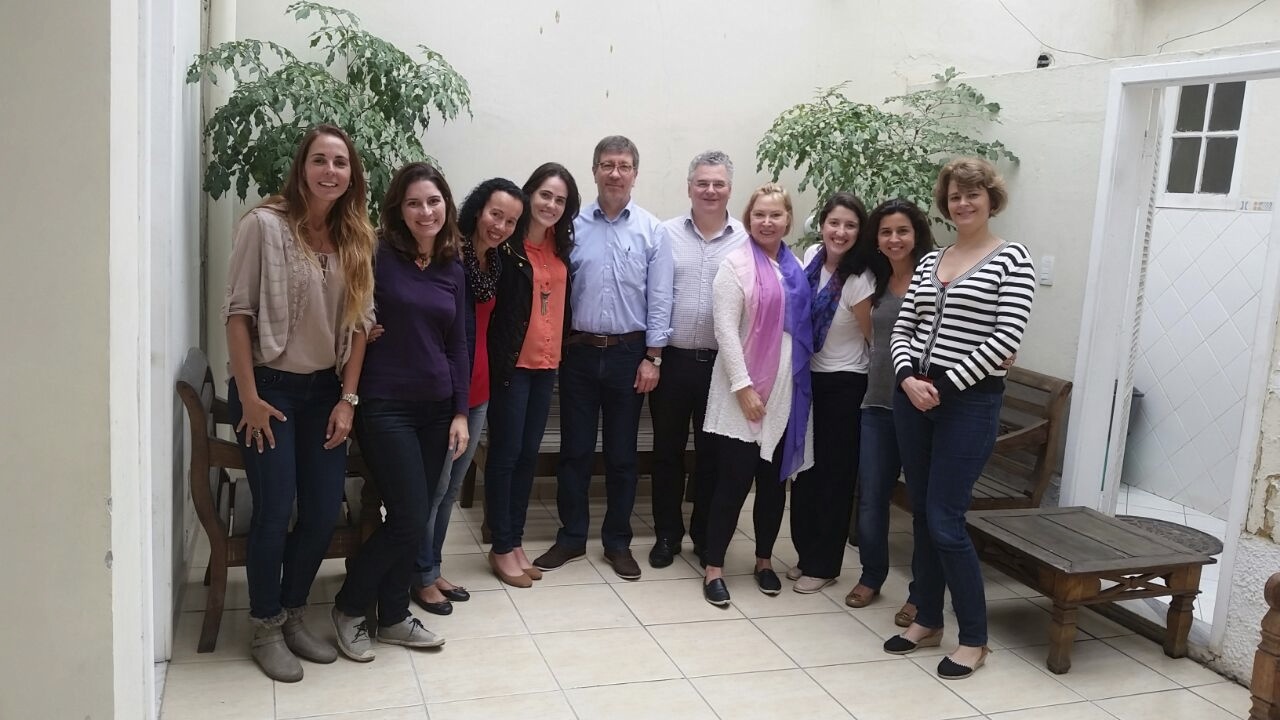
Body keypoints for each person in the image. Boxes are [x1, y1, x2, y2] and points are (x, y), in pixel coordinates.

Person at [222, 123, 375, 682]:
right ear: (302, 167)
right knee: (274, 507)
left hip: (325, 394)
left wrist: (348, 400)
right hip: (270, 391)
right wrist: (249, 398)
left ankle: (291, 613)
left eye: (340, 162)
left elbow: (360, 325)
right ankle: (264, 624)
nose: (330, 171)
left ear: (351, 175)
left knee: (321, 511)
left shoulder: (356, 237)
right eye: (320, 160)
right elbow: (237, 315)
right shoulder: (264, 226)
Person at [883, 157, 1036, 680]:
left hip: (968, 404)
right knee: (922, 516)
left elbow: (1005, 338)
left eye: (973, 194)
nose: (963, 203)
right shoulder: (932, 259)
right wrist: (908, 378)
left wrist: (943, 387)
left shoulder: (1012, 259)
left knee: (946, 521)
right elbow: (904, 326)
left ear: (991, 200)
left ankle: (974, 638)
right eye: (954, 196)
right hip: (913, 397)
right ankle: (927, 619)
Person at [330, 162, 470, 662]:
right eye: (414, 203)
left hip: (437, 409)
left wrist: (460, 412)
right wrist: (358, 332)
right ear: (398, 209)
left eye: (433, 201)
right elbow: (345, 311)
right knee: (410, 517)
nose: (425, 211)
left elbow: (458, 344)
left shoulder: (453, 266)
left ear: (446, 206)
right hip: (386, 404)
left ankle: (391, 616)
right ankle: (349, 606)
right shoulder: (377, 254)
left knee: (416, 516)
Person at [533, 136, 673, 580]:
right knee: (574, 452)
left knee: (622, 455)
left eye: (624, 166)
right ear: (594, 171)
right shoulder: (569, 227)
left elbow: (661, 298)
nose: (615, 173)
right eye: (607, 165)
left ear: (635, 174)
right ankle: (572, 537)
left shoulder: (652, 231)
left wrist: (653, 357)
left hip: (630, 355)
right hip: (577, 353)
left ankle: (617, 542)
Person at [413, 177, 527, 609]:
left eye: (510, 221)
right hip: (448, 389)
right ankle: (420, 575)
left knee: (451, 488)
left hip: (480, 388)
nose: (500, 226)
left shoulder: (494, 262)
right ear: (478, 209)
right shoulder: (448, 254)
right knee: (435, 487)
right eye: (496, 214)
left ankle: (433, 567)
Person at [701, 183, 813, 607]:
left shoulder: (796, 267)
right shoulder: (734, 265)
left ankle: (764, 561)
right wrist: (743, 387)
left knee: (773, 486)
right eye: (760, 214)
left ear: (788, 220)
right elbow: (726, 331)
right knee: (732, 483)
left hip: (784, 394)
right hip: (741, 395)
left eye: (776, 215)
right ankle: (714, 567)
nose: (767, 222)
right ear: (749, 219)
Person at [646, 151, 748, 569]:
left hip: (722, 367)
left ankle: (706, 536)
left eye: (718, 183)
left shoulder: (746, 239)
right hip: (672, 362)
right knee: (666, 452)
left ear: (729, 189)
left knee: (713, 455)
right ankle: (667, 534)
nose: (710, 190)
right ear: (689, 187)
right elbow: (653, 295)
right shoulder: (664, 233)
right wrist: (652, 356)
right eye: (702, 182)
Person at [485, 163, 579, 585]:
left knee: (527, 456)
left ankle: (515, 540)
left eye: (560, 199)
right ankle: (501, 546)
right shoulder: (507, 245)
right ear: (529, 195)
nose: (551, 205)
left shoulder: (561, 246)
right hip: (513, 367)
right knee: (505, 456)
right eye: (545, 195)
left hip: (547, 365)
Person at [847, 198, 935, 622]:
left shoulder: (936, 277)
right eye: (886, 232)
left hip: (921, 408)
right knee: (871, 498)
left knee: (921, 505)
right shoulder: (875, 279)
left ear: (916, 234)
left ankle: (920, 595)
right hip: (877, 404)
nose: (894, 239)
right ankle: (871, 575)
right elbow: (873, 340)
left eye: (902, 231)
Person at [788, 193, 875, 593]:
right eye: (834, 223)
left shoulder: (860, 279)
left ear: (860, 232)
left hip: (844, 385)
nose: (840, 232)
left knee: (834, 476)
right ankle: (806, 554)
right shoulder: (810, 259)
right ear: (821, 225)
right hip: (807, 379)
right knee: (804, 470)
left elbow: (874, 341)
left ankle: (824, 565)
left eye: (850, 225)